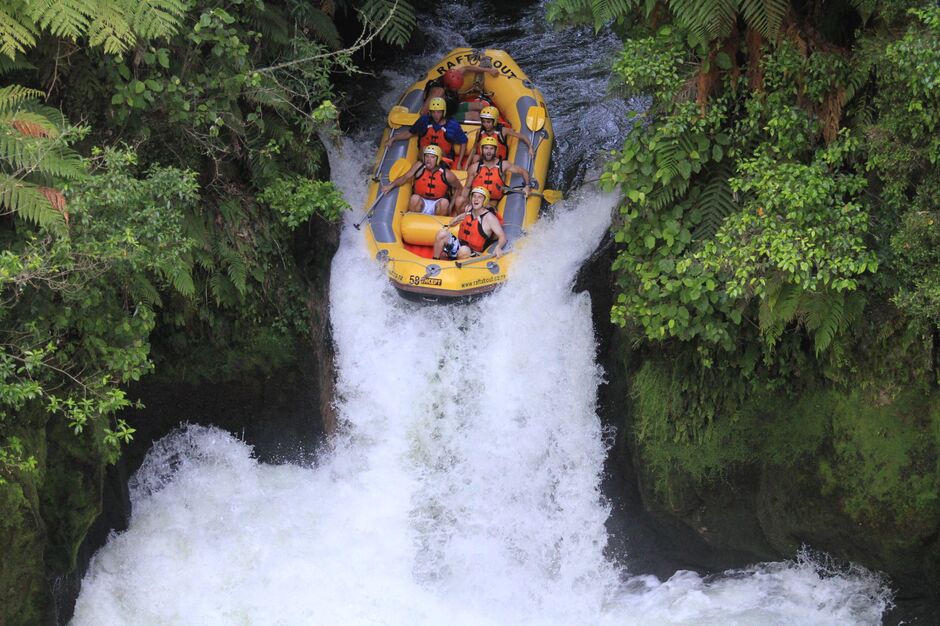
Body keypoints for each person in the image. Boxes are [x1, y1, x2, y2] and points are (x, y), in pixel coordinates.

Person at [381, 144, 463, 216]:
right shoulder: (418, 166)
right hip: (421, 201)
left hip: (437, 204)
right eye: (427, 156)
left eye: (432, 157)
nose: (428, 159)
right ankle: (413, 222)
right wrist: (391, 186)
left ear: (438, 159)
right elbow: (405, 177)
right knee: (414, 198)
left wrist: (451, 206)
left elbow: (459, 188)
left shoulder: (447, 174)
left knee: (445, 203)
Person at [385, 96, 468, 166]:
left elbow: (463, 142)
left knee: (438, 151)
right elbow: (409, 133)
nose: (436, 115)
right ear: (430, 112)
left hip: (443, 158)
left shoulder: (453, 125)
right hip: (424, 157)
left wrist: (459, 163)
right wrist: (393, 139)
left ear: (444, 112)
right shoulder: (424, 120)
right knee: (425, 149)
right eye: (433, 112)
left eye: (438, 112)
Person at [433, 186, 507, 261]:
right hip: (460, 244)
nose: (476, 199)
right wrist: (457, 218)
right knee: (441, 234)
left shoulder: (489, 218)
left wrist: (498, 247)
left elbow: (502, 237)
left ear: (485, 200)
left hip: (475, 252)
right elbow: (463, 216)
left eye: (479, 197)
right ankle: (435, 261)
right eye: (474, 196)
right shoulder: (469, 209)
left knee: (464, 250)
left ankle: (454, 268)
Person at [457, 135, 531, 208]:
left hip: (491, 201)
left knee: (486, 207)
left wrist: (527, 186)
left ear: (496, 150)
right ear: (481, 150)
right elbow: (467, 188)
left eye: (491, 148)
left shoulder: (503, 165)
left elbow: (523, 172)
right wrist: (464, 201)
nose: (488, 151)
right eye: (486, 148)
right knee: (459, 200)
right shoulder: (474, 168)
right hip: (476, 199)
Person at [422, 66, 500, 122]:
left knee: (480, 106)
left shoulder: (454, 75)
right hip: (446, 116)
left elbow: (466, 68)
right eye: (456, 88)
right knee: (475, 115)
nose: (458, 89)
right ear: (448, 86)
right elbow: (423, 112)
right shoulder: (438, 92)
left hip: (452, 106)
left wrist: (488, 70)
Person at [467, 105, 534, 168]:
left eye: (488, 122)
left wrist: (530, 147)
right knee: (475, 157)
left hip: (498, 161)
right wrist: (466, 165)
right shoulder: (480, 132)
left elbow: (522, 136)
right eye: (484, 122)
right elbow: (474, 148)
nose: (485, 124)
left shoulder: (503, 131)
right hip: (484, 159)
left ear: (495, 121)